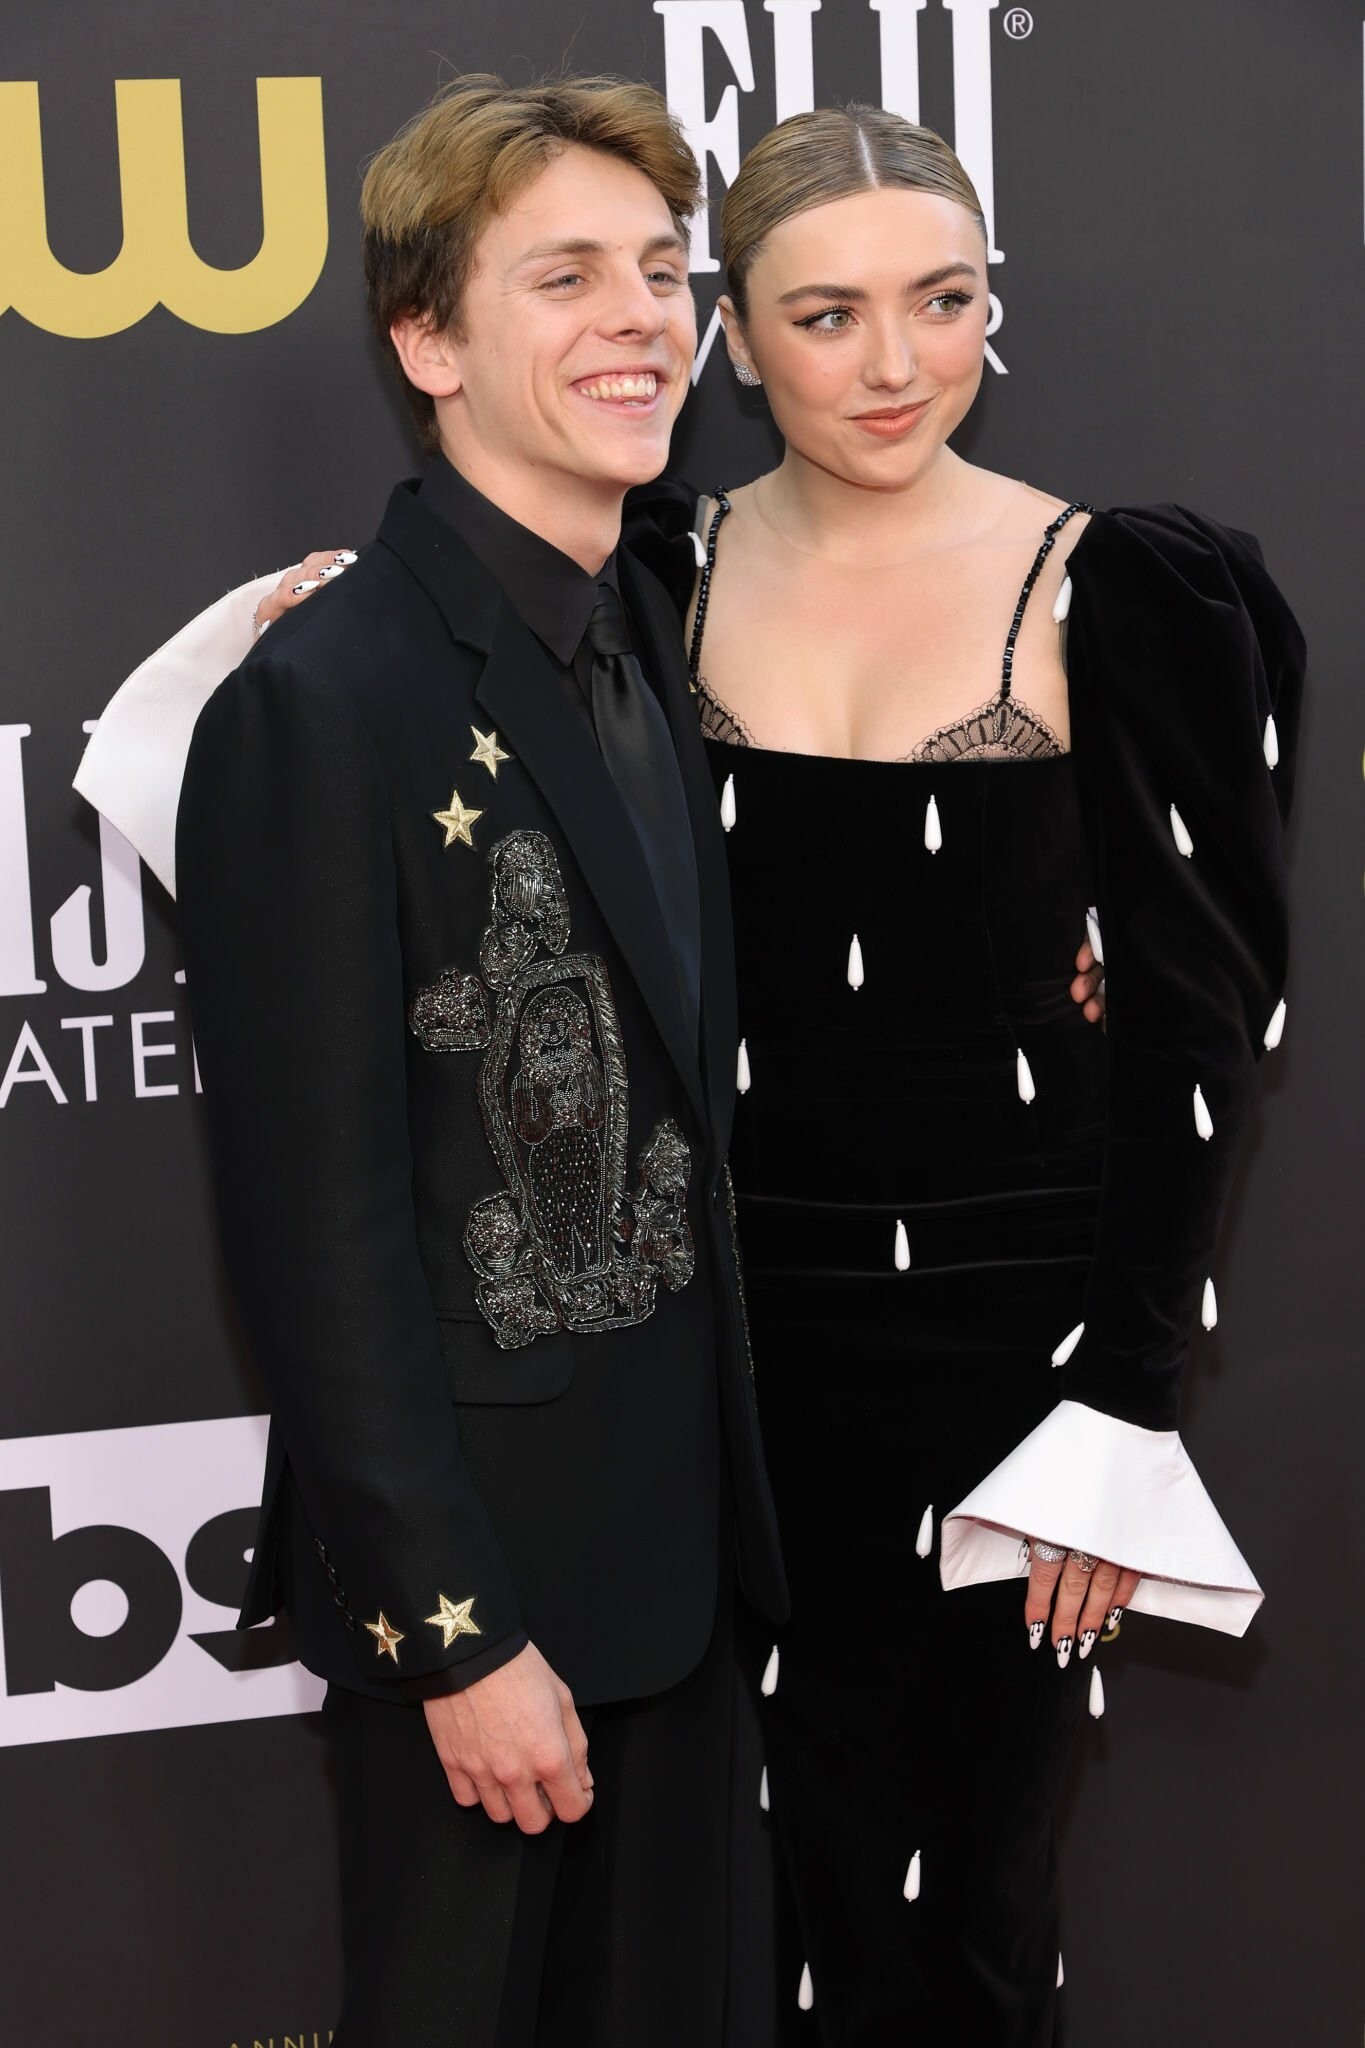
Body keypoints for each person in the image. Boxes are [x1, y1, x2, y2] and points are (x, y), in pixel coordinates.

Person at [82, 75, 793, 2047]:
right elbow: (312, 1236)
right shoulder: (323, 700)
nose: (640, 318)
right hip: (488, 1618)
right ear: (425, 341)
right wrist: (453, 1638)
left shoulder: (657, 614)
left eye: (659, 269)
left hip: (687, 1572)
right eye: (563, 277)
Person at [616, 106, 1300, 2042]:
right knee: (742, 1903)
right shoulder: (640, 571)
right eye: (826, 314)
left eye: (941, 300)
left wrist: (1120, 1409)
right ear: (732, 335)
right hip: (699, 1335)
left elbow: (1197, 1033)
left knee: (960, 1902)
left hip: (1009, 1346)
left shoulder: (1130, 587)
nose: (895, 363)